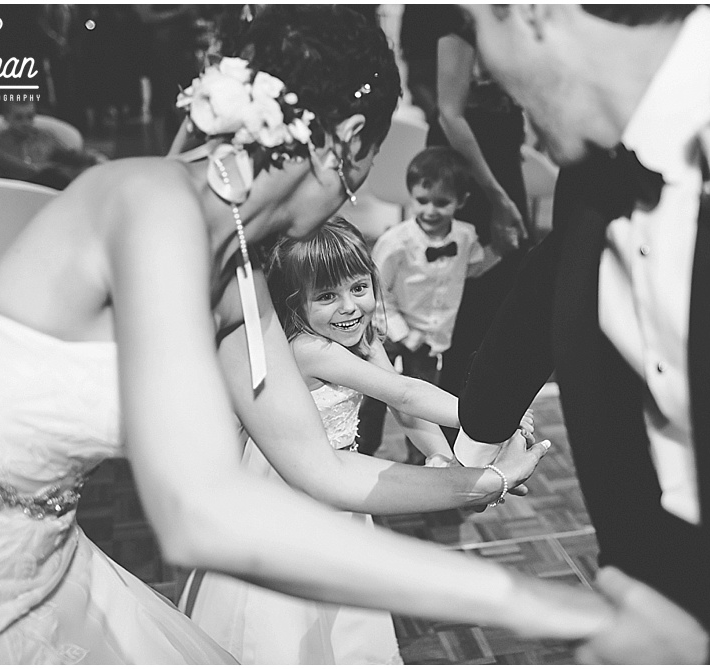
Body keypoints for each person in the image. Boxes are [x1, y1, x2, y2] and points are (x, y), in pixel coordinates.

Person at [0, 7, 611, 664]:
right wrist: (525, 599)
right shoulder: (148, 203)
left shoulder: (239, 278)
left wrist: (476, 480)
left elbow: (322, 469)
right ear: (347, 143)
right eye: (365, 168)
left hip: (42, 555)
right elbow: (199, 513)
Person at [456, 4, 710, 664]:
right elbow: (541, 301)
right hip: (650, 590)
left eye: (475, 30)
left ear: (529, 11)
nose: (482, 69)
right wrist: (471, 445)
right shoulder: (595, 172)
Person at [190, 216, 501, 663]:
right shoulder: (310, 350)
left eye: (358, 287)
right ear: (295, 304)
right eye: (326, 296)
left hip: (341, 489)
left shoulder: (359, 340)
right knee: (289, 617)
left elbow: (401, 407)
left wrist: (439, 454)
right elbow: (407, 393)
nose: (350, 307)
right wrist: (488, 417)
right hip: (292, 496)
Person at [424, 6, 537, 426]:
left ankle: (477, 415)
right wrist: (497, 197)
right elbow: (449, 113)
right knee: (465, 291)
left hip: (502, 158)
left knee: (506, 277)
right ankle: (446, 420)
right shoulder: (461, 18)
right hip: (470, 168)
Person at [359, 146, 501, 462]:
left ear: (461, 202)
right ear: (411, 196)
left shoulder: (466, 237)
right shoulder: (396, 241)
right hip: (385, 329)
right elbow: (376, 292)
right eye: (422, 201)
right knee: (373, 396)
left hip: (430, 340)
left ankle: (422, 461)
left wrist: (504, 249)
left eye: (442, 202)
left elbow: (473, 268)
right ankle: (362, 452)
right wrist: (402, 332)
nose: (430, 211)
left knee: (422, 404)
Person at [0, 100, 105, 190]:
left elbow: (69, 155)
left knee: (63, 173)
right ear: (6, 118)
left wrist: (93, 157)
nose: (25, 123)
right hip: (18, 190)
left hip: (49, 188)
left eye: (30, 117)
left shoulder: (44, 137)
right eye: (19, 118)